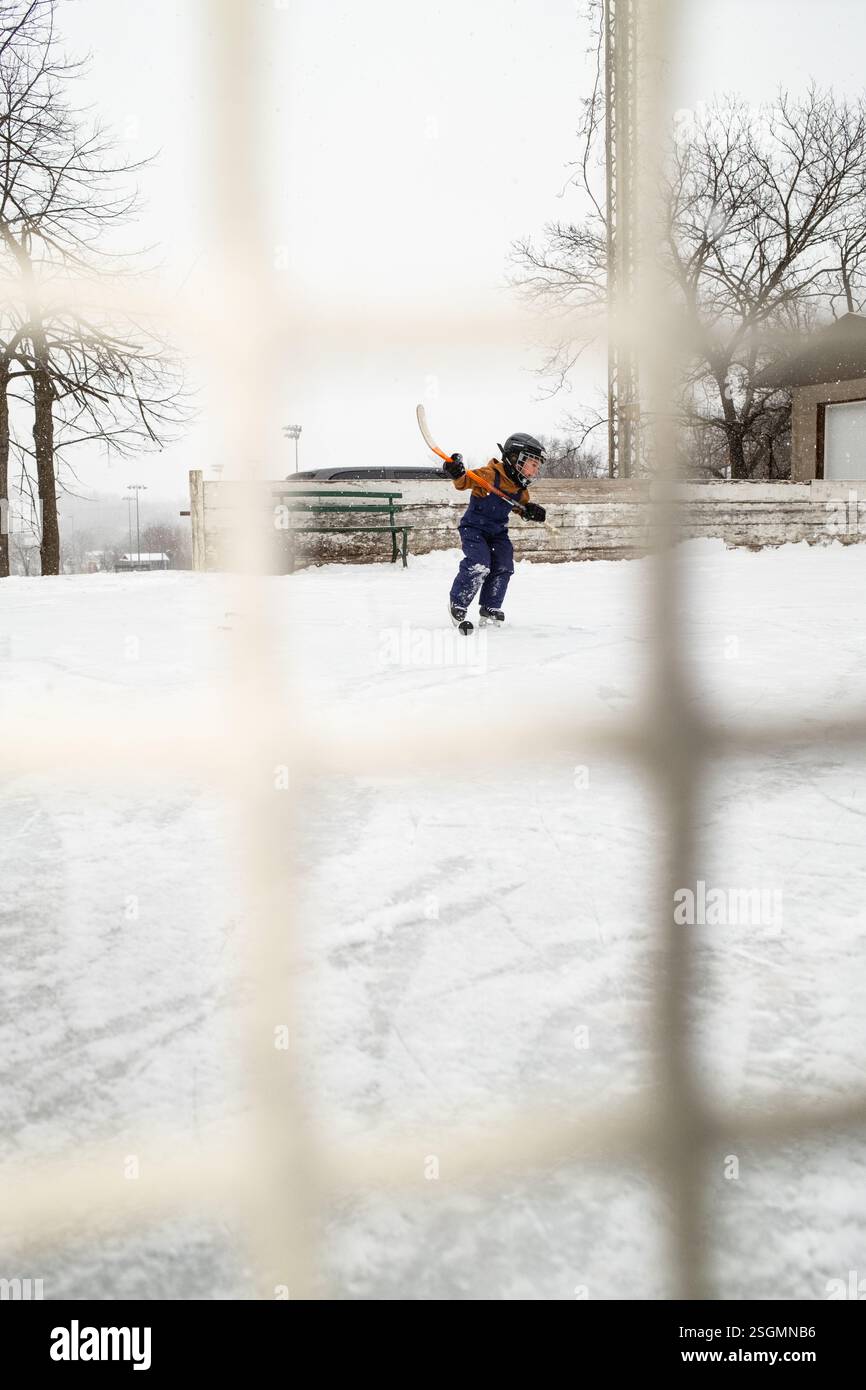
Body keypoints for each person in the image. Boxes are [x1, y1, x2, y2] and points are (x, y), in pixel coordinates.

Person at [445, 433, 547, 627]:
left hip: (498, 534)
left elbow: (520, 507)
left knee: (504, 564)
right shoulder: (490, 475)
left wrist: (531, 511)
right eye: (533, 464)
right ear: (516, 458)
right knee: (479, 563)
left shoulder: (520, 489)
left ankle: (490, 606)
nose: (535, 471)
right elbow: (464, 481)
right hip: (474, 529)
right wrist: (456, 472)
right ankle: (458, 603)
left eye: (538, 467)